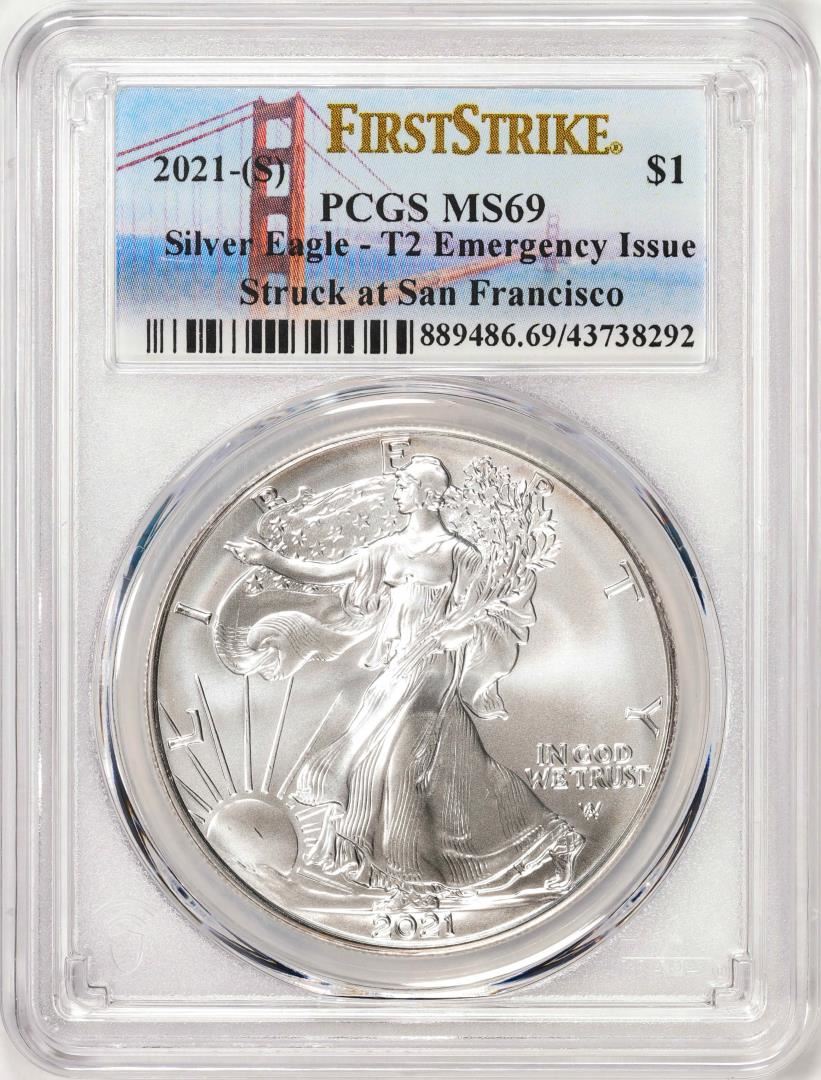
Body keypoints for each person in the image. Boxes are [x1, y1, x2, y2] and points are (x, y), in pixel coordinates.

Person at [226, 455, 583, 907]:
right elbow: (326, 573)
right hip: (398, 665)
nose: (397, 490)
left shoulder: (459, 554)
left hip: (433, 668)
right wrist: (267, 559)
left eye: (405, 483)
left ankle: (409, 876)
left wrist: (458, 631)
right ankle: (551, 839)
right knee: (458, 766)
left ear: (429, 495)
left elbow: (485, 612)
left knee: (394, 764)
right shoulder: (387, 550)